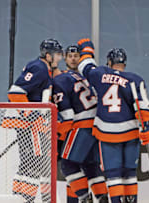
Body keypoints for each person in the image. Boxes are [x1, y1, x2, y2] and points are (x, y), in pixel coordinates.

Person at [77, 38, 149, 203]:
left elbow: (84, 66)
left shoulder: (99, 73)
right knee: (130, 172)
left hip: (107, 133)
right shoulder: (135, 79)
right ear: (124, 64)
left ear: (109, 62)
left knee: (113, 173)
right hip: (130, 132)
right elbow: (142, 108)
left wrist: (86, 48)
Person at [4, 38, 63, 202]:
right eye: (57, 54)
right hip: (30, 125)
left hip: (30, 125)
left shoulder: (43, 69)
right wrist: (31, 116)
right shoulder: (39, 68)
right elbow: (15, 93)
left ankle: (20, 198)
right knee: (34, 164)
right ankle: (25, 199)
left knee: (30, 164)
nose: (59, 58)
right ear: (48, 55)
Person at [53, 45, 108, 203]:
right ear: (64, 57)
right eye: (70, 56)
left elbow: (67, 115)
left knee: (68, 165)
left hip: (81, 125)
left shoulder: (61, 79)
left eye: (76, 55)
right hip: (96, 125)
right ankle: (103, 199)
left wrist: (58, 132)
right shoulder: (88, 76)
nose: (73, 58)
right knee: (91, 167)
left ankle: (84, 199)